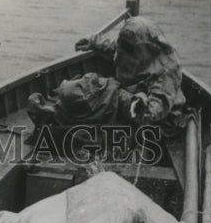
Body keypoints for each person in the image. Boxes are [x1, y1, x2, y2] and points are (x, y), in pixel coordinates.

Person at [26, 16, 186, 144]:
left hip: (157, 126)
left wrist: (120, 96)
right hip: (129, 102)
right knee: (85, 95)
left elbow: (149, 115)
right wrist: (94, 41)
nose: (123, 49)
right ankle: (54, 116)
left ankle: (58, 129)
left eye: (128, 46)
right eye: (123, 43)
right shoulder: (130, 49)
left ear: (146, 46)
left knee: (96, 118)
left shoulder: (166, 71)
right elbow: (116, 48)